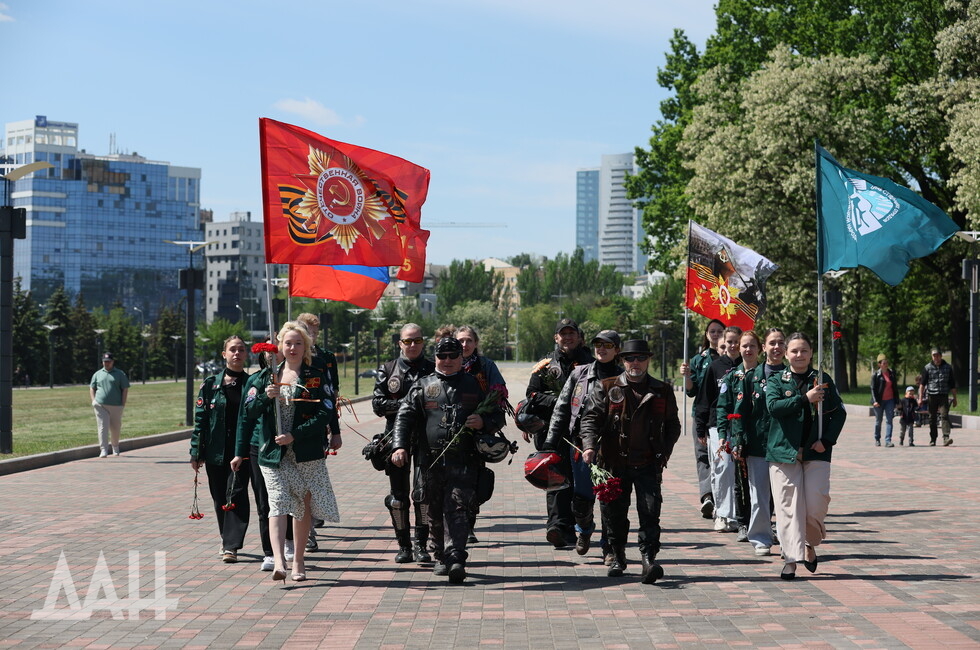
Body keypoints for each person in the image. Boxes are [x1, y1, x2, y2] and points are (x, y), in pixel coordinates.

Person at [390, 336, 506, 584]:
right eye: (443, 356)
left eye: (454, 355)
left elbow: (498, 415)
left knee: (458, 508)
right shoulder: (423, 385)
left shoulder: (474, 385)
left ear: (462, 357)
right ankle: (441, 555)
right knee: (433, 510)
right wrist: (399, 446)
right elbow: (403, 417)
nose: (449, 360)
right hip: (429, 461)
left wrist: (484, 422)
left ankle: (456, 557)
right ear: (436, 358)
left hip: (465, 460)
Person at [232, 321, 340, 584]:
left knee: (302, 504)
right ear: (279, 346)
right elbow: (247, 414)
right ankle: (279, 560)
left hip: (304, 451)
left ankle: (299, 562)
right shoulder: (264, 378)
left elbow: (325, 411)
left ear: (306, 347)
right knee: (278, 502)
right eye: (288, 343)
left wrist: (296, 434)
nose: (292, 348)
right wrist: (264, 398)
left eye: (298, 343)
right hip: (273, 454)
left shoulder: (315, 374)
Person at [579, 339, 681, 583]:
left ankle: (648, 559)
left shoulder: (662, 390)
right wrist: (590, 445)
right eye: (630, 358)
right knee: (613, 513)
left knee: (649, 512)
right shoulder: (606, 386)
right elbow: (590, 419)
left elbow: (673, 426)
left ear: (648, 360)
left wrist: (663, 453)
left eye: (640, 358)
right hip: (614, 462)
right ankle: (616, 555)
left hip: (647, 463)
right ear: (622, 360)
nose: (635, 363)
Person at [765, 332, 847, 580]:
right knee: (787, 507)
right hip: (783, 452)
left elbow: (838, 413)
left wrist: (827, 440)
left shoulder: (821, 380)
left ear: (811, 353)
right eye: (794, 351)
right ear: (786, 354)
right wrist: (804, 399)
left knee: (815, 506)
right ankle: (790, 559)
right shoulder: (778, 380)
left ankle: (808, 544)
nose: (799, 355)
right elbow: (774, 408)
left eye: (804, 350)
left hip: (816, 452)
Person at [542, 329, 622, 560]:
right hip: (579, 447)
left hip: (611, 448)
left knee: (610, 498)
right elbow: (562, 408)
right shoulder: (579, 374)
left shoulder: (623, 376)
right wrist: (549, 442)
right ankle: (584, 531)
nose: (601, 349)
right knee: (581, 500)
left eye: (607, 345)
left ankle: (609, 547)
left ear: (617, 350)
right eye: (598, 344)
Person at [525, 318, 594, 548]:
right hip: (551, 432)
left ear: (579, 337)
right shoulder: (545, 365)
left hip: (580, 434)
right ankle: (556, 526)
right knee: (554, 479)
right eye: (563, 334)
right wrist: (561, 402)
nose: (567, 338)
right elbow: (532, 396)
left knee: (578, 482)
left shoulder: (591, 364)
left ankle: (575, 526)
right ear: (556, 338)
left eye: (571, 333)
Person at [371, 323, 435, 564]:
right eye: (407, 341)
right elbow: (378, 405)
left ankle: (421, 546)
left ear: (423, 342)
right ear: (400, 343)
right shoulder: (387, 369)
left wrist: (402, 405)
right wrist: (410, 406)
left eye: (417, 340)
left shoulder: (433, 368)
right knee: (398, 497)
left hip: (427, 439)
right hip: (395, 438)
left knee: (423, 494)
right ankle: (404, 546)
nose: (412, 345)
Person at [190, 335, 251, 564]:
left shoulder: (251, 384)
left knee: (235, 494)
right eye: (232, 350)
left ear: (246, 355)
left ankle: (231, 545)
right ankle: (226, 537)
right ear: (224, 354)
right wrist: (196, 451)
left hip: (242, 451)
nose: (237, 353)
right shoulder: (210, 385)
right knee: (219, 497)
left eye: (241, 350)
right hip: (216, 451)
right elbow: (201, 421)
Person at [731, 329, 784, 556]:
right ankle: (761, 538)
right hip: (757, 445)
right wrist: (738, 439)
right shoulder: (752, 376)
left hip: (785, 445)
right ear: (764, 347)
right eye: (772, 343)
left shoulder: (791, 374)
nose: (776, 347)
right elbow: (739, 411)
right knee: (760, 496)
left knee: (784, 497)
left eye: (781, 343)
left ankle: (785, 535)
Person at [455, 325, 506, 544]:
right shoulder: (448, 362)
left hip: (476, 432)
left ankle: (468, 526)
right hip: (450, 432)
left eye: (468, 341)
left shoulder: (486, 366)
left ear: (476, 343)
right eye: (460, 341)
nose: (464, 345)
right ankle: (451, 525)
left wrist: (483, 419)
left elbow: (498, 394)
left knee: (474, 481)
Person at [295, 313, 342, 551]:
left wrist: (335, 430)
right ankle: (298, 531)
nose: (310, 336)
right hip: (289, 430)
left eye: (313, 332)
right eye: (306, 331)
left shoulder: (324, 358)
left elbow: (331, 395)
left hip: (315, 427)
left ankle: (309, 528)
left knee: (310, 480)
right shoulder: (287, 356)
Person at [234, 343, 280, 572]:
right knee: (265, 501)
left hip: (289, 445)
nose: (274, 354)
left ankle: (290, 542)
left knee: (291, 499)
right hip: (260, 447)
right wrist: (239, 452)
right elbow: (247, 415)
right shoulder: (256, 381)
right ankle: (270, 551)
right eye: (269, 351)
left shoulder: (299, 376)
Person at [695, 326, 742, 533]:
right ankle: (723, 514)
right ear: (724, 344)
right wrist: (700, 428)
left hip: (742, 427)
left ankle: (738, 514)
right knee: (721, 469)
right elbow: (704, 400)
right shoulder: (715, 367)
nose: (733, 346)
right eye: (729, 342)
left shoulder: (748, 367)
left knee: (738, 473)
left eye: (737, 342)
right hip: (716, 425)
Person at [679, 319, 725, 519]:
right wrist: (687, 376)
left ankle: (725, 497)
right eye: (712, 331)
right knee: (703, 457)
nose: (715, 335)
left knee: (723, 459)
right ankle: (708, 496)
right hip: (702, 415)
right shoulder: (699, 359)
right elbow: (692, 392)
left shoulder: (734, 357)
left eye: (719, 331)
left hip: (725, 416)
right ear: (706, 335)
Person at [90, 352, 130, 458]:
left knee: (115, 428)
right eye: (105, 362)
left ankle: (115, 447)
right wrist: (93, 400)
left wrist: (123, 404)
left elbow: (125, 389)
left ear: (113, 362)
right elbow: (92, 387)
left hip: (116, 405)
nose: (106, 363)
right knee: (103, 426)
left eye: (109, 362)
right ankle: (103, 450)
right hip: (100, 404)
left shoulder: (120, 374)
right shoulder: (97, 374)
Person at [919, 348, 956, 446]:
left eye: (937, 355)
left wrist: (955, 398)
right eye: (934, 356)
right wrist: (920, 398)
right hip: (932, 396)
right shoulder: (927, 368)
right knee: (932, 418)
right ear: (932, 357)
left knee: (944, 415)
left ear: (941, 356)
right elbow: (922, 384)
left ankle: (946, 438)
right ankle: (933, 438)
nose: (936, 358)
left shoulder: (948, 367)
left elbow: (952, 384)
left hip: (943, 395)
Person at [871, 353, 897, 447]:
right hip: (879, 401)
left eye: (886, 362)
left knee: (889, 420)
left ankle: (888, 440)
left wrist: (897, 401)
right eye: (884, 363)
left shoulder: (891, 373)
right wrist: (875, 401)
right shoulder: (876, 375)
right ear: (879, 364)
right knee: (878, 421)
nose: (886, 364)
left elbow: (895, 388)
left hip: (890, 400)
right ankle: (877, 438)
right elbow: (873, 389)